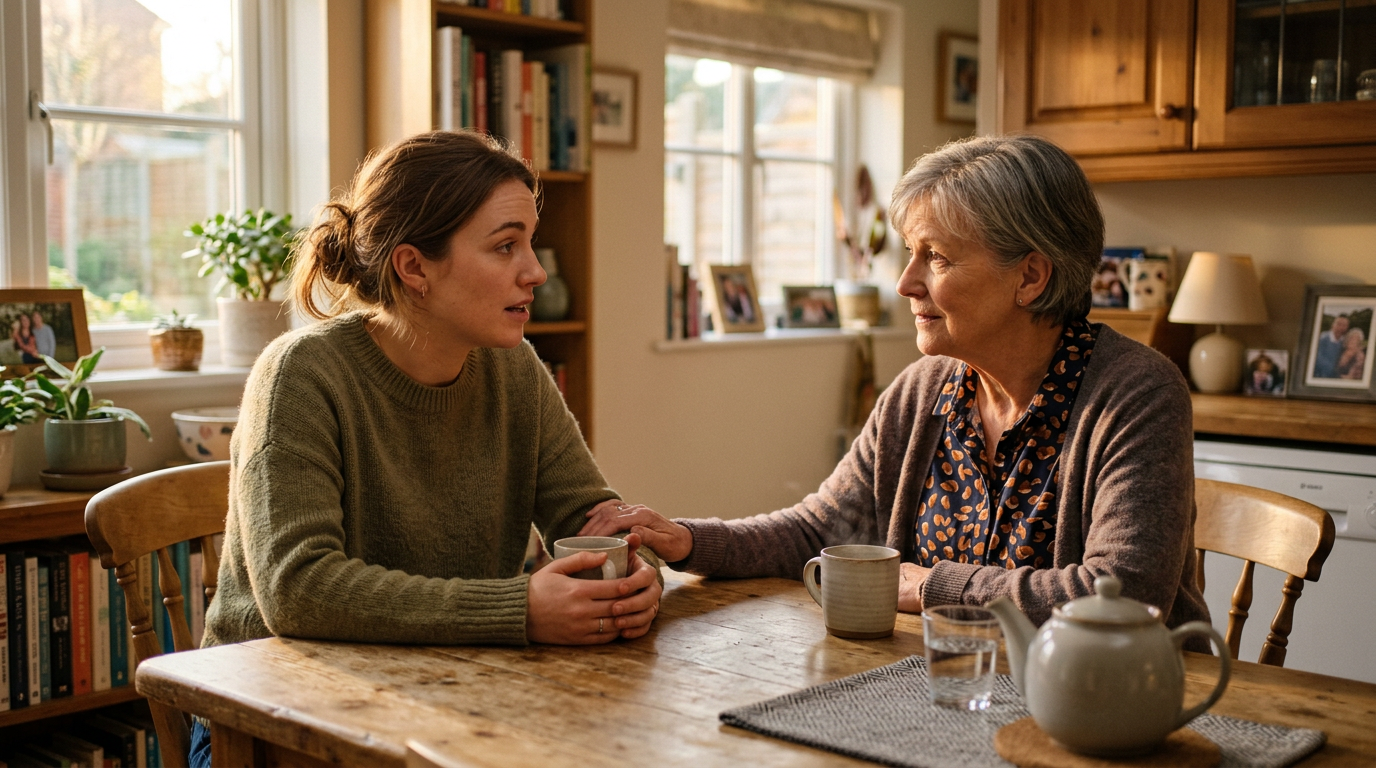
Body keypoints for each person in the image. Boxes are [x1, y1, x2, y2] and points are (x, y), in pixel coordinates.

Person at [584, 134, 1211, 650]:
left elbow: (1125, 592)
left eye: (935, 258)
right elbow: (822, 532)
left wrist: (933, 586)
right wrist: (690, 540)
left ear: (1031, 275)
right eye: (911, 254)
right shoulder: (922, 393)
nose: (906, 283)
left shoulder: (1135, 393)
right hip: (945, 688)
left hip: (1112, 707)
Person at [193, 132, 663, 764]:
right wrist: (518, 609)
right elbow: (297, 587)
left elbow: (591, 517)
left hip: (448, 695)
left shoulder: (515, 368)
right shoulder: (301, 376)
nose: (536, 270)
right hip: (268, 725)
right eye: (505, 245)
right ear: (414, 268)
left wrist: (628, 573)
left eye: (529, 240)